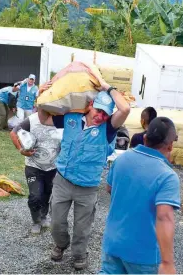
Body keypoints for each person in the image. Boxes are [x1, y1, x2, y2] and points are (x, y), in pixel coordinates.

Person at [38, 78, 130, 270]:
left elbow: (125, 109)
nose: (101, 116)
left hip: (87, 188)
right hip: (62, 181)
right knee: (56, 222)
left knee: (82, 227)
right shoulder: (71, 119)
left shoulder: (109, 129)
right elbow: (44, 119)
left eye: (106, 113)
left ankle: (79, 254)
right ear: (90, 105)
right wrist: (41, 97)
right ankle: (61, 244)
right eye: (98, 110)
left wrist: (107, 87)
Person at [100, 117, 180, 275]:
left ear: (144, 137)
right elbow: (164, 217)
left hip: (113, 243)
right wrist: (167, 262)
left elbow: (109, 188)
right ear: (170, 145)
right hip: (143, 254)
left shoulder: (121, 159)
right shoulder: (167, 176)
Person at [10, 111, 62, 234]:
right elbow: (13, 133)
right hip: (33, 166)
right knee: (35, 196)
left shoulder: (61, 119)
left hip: (53, 167)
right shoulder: (31, 120)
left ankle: (43, 216)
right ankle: (36, 221)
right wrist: (21, 150)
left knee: (47, 193)